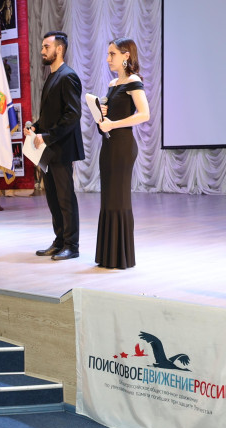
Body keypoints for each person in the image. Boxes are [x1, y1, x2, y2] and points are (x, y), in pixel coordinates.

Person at [94, 38, 151, 270]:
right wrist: (102, 114)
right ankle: (109, 255)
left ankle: (121, 257)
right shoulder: (113, 83)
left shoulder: (133, 81)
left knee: (119, 198)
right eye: (108, 54)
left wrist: (113, 124)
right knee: (108, 198)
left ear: (126, 56)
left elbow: (144, 114)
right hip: (109, 145)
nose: (108, 58)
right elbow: (109, 119)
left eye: (112, 54)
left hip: (123, 146)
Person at [28, 31, 84, 261]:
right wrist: (36, 127)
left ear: (59, 49)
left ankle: (72, 245)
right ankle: (59, 240)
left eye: (46, 47)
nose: (42, 51)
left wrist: (47, 136)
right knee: (52, 197)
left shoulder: (68, 76)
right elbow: (50, 115)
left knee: (65, 198)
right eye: (42, 47)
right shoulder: (52, 76)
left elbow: (72, 115)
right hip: (49, 149)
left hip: (61, 148)